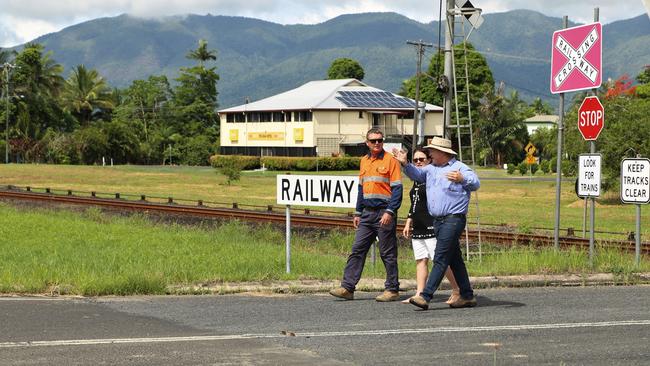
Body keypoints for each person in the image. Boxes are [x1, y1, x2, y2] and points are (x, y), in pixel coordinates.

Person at [393, 136, 480, 310]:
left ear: (442, 152)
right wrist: (405, 164)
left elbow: (476, 183)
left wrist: (462, 178)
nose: (429, 153)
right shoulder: (431, 169)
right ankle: (467, 296)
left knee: (440, 257)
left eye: (432, 150)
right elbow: (416, 175)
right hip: (438, 221)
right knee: (455, 259)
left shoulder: (460, 168)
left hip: (453, 219)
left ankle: (425, 296)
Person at [330, 128, 403, 302]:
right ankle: (348, 288)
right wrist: (357, 212)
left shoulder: (391, 160)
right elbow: (361, 189)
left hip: (384, 213)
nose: (377, 143)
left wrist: (390, 211)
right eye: (373, 141)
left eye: (380, 140)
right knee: (357, 249)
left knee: (387, 253)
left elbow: (398, 190)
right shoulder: (364, 161)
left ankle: (392, 289)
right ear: (367, 143)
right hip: (367, 215)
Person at [402, 147, 460, 305]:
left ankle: (457, 290)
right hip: (418, 225)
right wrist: (409, 220)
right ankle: (419, 294)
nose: (419, 162)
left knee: (440, 260)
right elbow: (415, 203)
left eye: (422, 159)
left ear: (429, 160)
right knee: (421, 260)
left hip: (432, 224)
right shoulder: (416, 180)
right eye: (415, 160)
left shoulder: (431, 177)